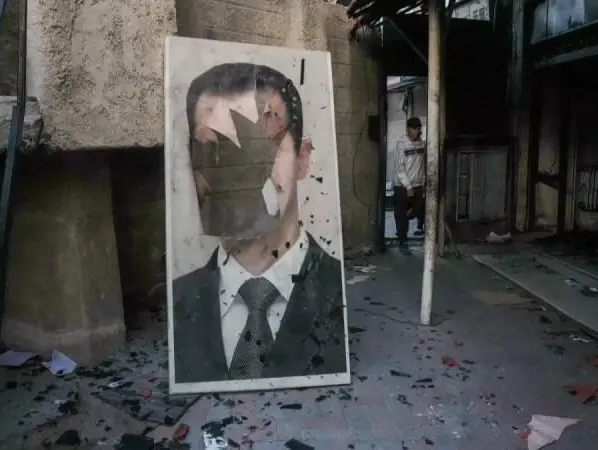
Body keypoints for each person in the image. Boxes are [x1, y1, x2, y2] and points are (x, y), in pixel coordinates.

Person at [171, 63, 347, 384]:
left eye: (260, 147)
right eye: (209, 151)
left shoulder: (336, 290)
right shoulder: (177, 303)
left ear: (302, 159)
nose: (232, 176)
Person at [390, 117, 426, 250]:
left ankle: (404, 226)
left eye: (418, 128)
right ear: (408, 129)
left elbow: (422, 165)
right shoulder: (401, 145)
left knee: (417, 209)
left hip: (418, 185)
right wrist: (408, 186)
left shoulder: (421, 144)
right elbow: (399, 168)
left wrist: (423, 182)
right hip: (402, 186)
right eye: (414, 128)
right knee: (401, 213)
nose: (416, 131)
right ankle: (402, 239)